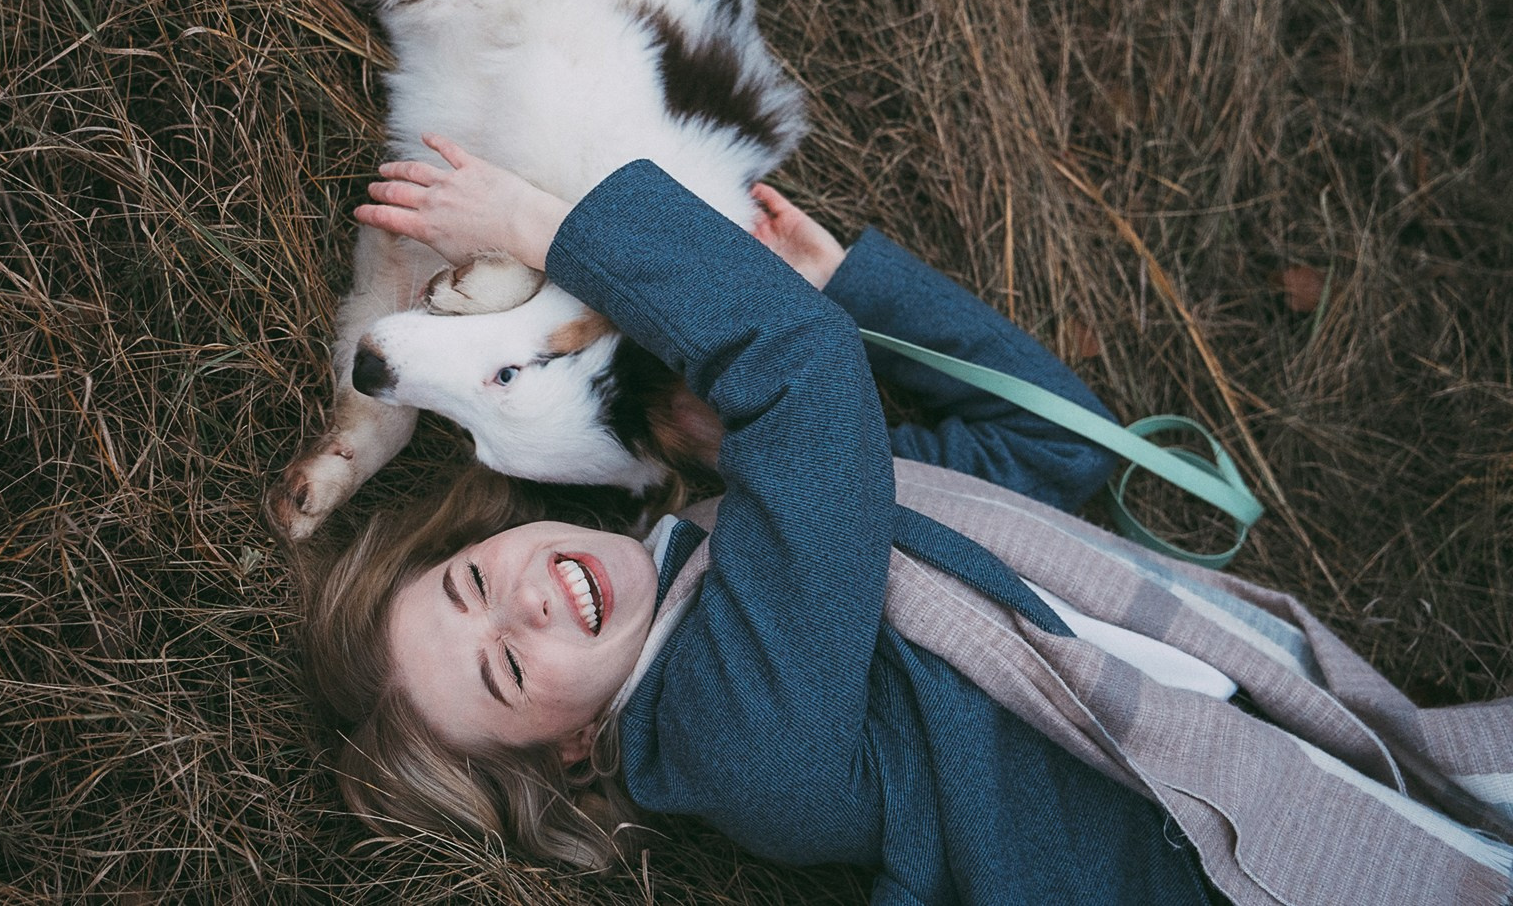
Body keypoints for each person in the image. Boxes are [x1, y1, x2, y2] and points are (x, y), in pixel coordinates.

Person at [304, 135, 1513, 906]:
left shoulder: (732, 540)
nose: (518, 602)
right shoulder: (731, 734)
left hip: (1268, 760)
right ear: (571, 748)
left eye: (469, 582)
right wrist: (545, 227)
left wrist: (860, 291)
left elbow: (1052, 447)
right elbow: (801, 377)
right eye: (510, 668)